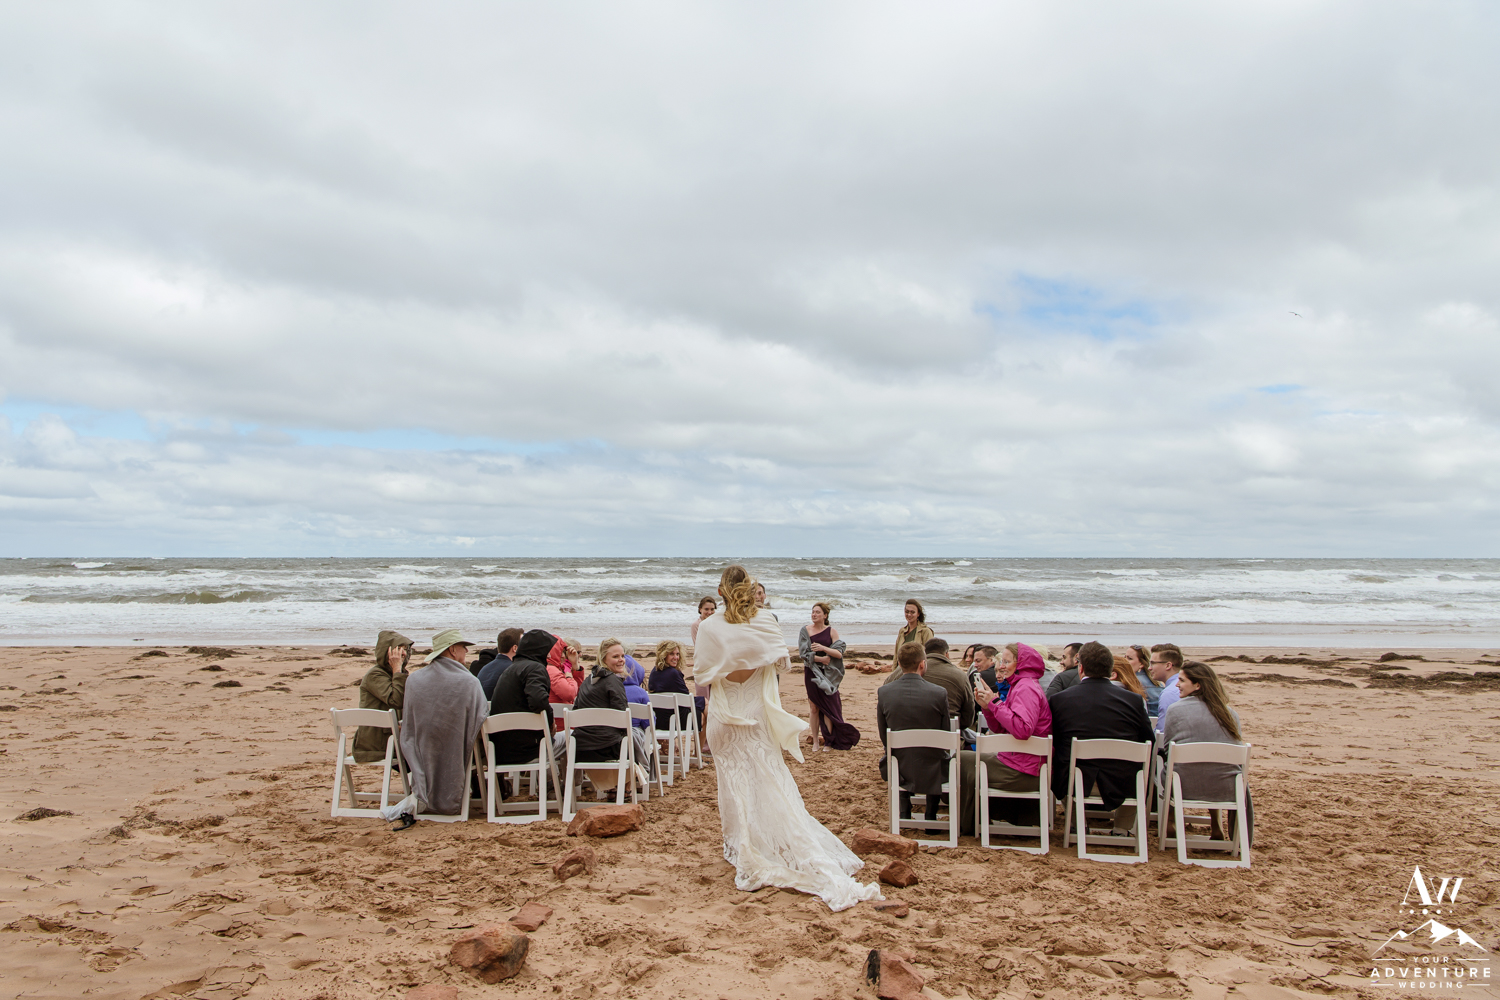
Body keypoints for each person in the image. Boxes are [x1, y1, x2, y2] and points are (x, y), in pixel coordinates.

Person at [695, 564, 881, 911]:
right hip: (755, 714)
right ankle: (758, 847)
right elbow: (782, 664)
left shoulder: (708, 627)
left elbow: (703, 675)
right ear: (751, 590)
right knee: (770, 780)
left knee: (734, 784)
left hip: (725, 716)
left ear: (720, 592)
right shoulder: (766, 621)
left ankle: (744, 848)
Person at [381, 629, 487, 830]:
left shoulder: (414, 680)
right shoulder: (469, 682)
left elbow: (410, 720)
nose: (466, 651)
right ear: (453, 650)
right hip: (457, 748)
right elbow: (481, 719)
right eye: (464, 647)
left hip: (422, 749)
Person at [1047, 640, 1154, 835]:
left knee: (1061, 759)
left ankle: (1076, 822)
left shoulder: (1060, 700)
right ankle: (1122, 828)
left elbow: (1054, 742)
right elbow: (1149, 742)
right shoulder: (1134, 701)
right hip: (1125, 783)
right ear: (1110, 669)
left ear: (1081, 669)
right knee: (1138, 763)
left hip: (1076, 781)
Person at [959, 642, 1053, 836]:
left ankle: (969, 825)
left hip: (1025, 770)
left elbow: (1022, 729)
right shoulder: (1019, 685)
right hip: (1021, 761)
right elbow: (1001, 728)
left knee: (962, 760)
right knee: (969, 758)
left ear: (1021, 664)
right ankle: (983, 819)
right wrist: (988, 706)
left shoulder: (1026, 688)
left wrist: (994, 702)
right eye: (1002, 660)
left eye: (1007, 661)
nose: (1001, 665)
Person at [1160, 660, 1253, 843]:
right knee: (1220, 768)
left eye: (1182, 680)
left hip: (1183, 787)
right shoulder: (1230, 714)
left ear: (1197, 685)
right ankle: (1222, 827)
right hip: (1227, 789)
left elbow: (1168, 747)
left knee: (1168, 766)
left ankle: (1170, 821)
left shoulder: (1175, 710)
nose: (1177, 684)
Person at [876, 641, 951, 826]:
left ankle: (904, 811)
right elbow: (945, 733)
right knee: (936, 756)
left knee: (896, 755)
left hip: (899, 764)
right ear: (922, 664)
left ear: (900, 665)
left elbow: (884, 734)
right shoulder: (939, 693)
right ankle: (931, 816)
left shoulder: (885, 692)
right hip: (933, 766)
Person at [487, 629, 558, 791]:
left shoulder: (510, 669)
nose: (549, 656)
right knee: (570, 741)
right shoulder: (535, 669)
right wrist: (550, 723)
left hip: (501, 748)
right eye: (547, 651)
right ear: (539, 650)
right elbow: (538, 700)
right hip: (527, 751)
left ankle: (549, 785)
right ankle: (559, 790)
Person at [571, 638, 634, 799]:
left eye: (622, 655)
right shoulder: (613, 681)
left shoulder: (586, 681)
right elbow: (622, 718)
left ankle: (614, 786)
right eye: (615, 657)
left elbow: (576, 710)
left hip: (581, 749)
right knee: (634, 736)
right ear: (603, 658)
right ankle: (625, 787)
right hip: (607, 749)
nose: (621, 660)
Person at [797, 602, 860, 752]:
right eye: (813, 612)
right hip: (812, 672)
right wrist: (821, 659)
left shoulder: (832, 631)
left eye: (818, 612)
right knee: (813, 707)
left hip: (828, 675)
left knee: (828, 708)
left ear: (825, 615)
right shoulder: (805, 631)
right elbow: (803, 654)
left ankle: (828, 741)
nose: (814, 614)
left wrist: (823, 649)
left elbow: (838, 653)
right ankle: (815, 742)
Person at [881, 636, 975, 732]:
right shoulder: (960, 676)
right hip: (945, 739)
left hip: (899, 739)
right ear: (947, 654)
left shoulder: (897, 674)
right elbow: (967, 719)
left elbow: (884, 713)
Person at [353, 630, 412, 762]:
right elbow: (396, 700)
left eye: (406, 649)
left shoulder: (397, 675)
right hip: (376, 744)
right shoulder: (375, 675)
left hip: (393, 738)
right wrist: (397, 670)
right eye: (399, 649)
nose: (403, 653)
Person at [648, 640, 692, 732]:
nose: (676, 657)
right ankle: (701, 746)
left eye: (677, 654)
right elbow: (686, 699)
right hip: (674, 718)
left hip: (658, 718)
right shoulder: (674, 674)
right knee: (704, 712)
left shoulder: (654, 672)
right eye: (672, 654)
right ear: (664, 655)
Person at [477, 627, 523, 701]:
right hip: (503, 711)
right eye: (523, 644)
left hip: (484, 709)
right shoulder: (514, 669)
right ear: (515, 648)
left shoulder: (485, 668)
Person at [1150, 643, 1185, 733]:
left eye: (1153, 663)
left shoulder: (1169, 693)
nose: (1149, 668)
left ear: (1168, 665)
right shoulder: (1184, 685)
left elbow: (1162, 733)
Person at [1126, 643, 1164, 715]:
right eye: (1124, 657)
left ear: (1141, 664)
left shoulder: (1134, 682)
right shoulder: (1158, 682)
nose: (1124, 661)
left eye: (1129, 658)